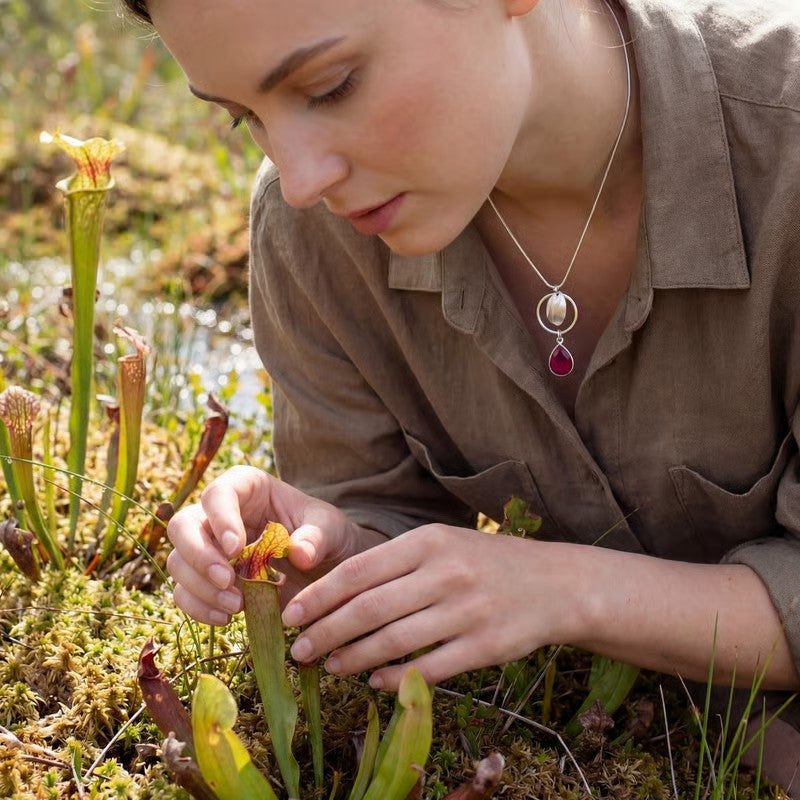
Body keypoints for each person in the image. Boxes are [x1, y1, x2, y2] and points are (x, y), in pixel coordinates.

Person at [121, 0, 800, 791]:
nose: (301, 181)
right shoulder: (315, 238)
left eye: (333, 86)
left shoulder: (783, 145)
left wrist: (562, 588)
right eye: (246, 118)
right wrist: (337, 554)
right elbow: (378, 507)